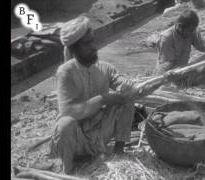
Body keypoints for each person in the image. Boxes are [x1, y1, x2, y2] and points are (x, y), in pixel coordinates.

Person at [48, 15, 138, 174]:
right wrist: (103, 99)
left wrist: (126, 85)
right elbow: (68, 111)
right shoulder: (65, 72)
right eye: (87, 43)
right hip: (76, 139)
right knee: (65, 124)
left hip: (99, 135)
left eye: (92, 41)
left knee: (126, 100)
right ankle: (67, 170)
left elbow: (119, 79)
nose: (93, 47)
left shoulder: (104, 67)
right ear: (74, 48)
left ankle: (119, 152)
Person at [153, 8, 205, 87]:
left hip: (184, 70)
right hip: (170, 75)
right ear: (180, 27)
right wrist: (189, 70)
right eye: (190, 31)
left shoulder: (191, 32)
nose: (192, 33)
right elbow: (167, 66)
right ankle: (187, 83)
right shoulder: (166, 38)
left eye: (193, 30)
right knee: (177, 81)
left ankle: (192, 80)